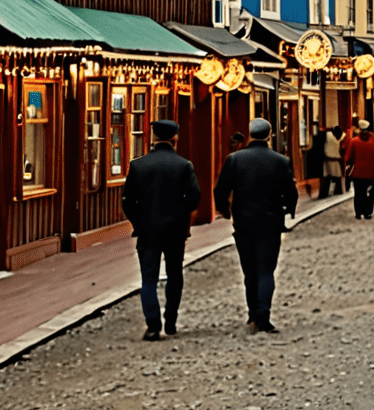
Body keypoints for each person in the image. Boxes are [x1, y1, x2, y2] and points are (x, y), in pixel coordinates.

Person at [213, 118, 299, 333]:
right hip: (270, 221)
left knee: (249, 270)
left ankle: (252, 313)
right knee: (266, 270)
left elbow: (220, 190)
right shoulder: (281, 161)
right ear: (269, 135)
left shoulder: (235, 159)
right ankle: (264, 315)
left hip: (243, 221)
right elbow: (291, 192)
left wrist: (224, 209)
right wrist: (289, 209)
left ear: (250, 134)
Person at [121, 118, 201, 341]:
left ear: (153, 138)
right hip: (175, 230)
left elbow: (127, 201)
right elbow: (194, 197)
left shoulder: (138, 165)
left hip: (147, 230)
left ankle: (153, 325)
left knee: (149, 279)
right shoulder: (184, 165)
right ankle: (171, 320)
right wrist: (182, 217)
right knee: (175, 273)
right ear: (175, 138)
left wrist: (138, 222)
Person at [345, 119, 374, 218]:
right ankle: (367, 212)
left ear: (359, 129)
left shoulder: (354, 141)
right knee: (369, 193)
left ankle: (358, 213)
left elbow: (348, 158)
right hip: (371, 172)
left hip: (357, 172)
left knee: (358, 192)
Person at [323, 124, 345, 195]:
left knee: (327, 177)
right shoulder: (330, 136)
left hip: (328, 159)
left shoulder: (328, 135)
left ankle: (325, 192)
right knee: (336, 176)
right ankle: (338, 191)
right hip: (334, 159)